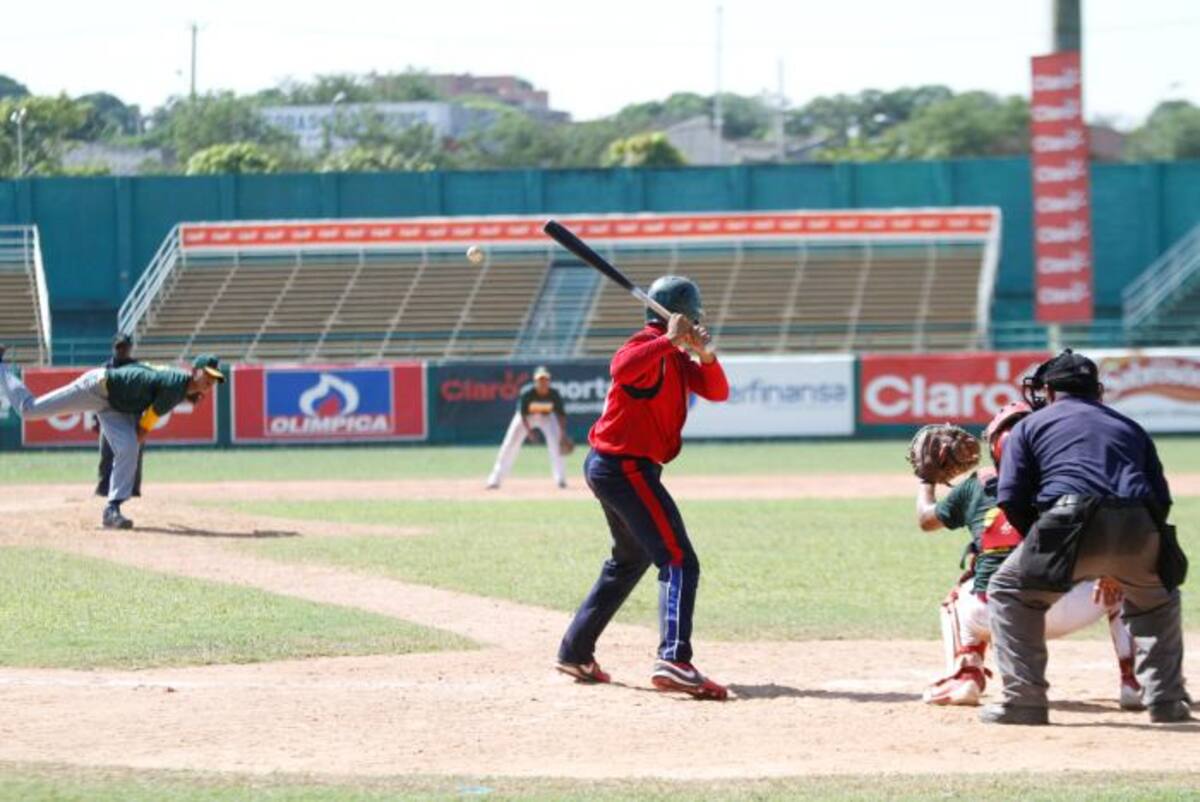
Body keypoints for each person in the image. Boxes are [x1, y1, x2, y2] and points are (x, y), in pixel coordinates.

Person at [984, 349, 1189, 725]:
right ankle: (1166, 701)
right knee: (1157, 600)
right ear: (1098, 390)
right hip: (1139, 520)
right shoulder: (1130, 426)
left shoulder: (1030, 425)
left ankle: (1024, 702)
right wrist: (1141, 548)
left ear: (1047, 390)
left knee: (1008, 592)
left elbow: (1010, 496)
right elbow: (1161, 497)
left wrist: (1040, 543)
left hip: (1067, 520)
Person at [556, 275, 731, 700]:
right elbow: (621, 366)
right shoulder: (646, 345)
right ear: (679, 317)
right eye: (694, 320)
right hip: (623, 466)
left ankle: (575, 652)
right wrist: (669, 341)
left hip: (619, 466)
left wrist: (704, 355)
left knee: (630, 559)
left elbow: (718, 391)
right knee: (678, 559)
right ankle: (674, 658)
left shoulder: (674, 357)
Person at [915, 401, 1141, 709]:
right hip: (1073, 605)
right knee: (1124, 583)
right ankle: (1134, 682)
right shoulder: (1071, 476)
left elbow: (926, 520)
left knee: (957, 598)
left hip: (1001, 613)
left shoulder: (976, 485)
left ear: (994, 446)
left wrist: (926, 481)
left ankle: (965, 676)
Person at [0, 346, 225, 530]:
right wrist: (133, 440)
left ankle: (112, 509)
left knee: (128, 448)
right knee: (30, 410)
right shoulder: (176, 386)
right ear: (195, 370)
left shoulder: (180, 384)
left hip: (115, 404)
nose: (210, 382)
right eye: (208, 374)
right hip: (97, 388)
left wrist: (129, 446)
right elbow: (145, 425)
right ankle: (2, 367)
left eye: (215, 379)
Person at [486, 366, 571, 490]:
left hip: (547, 418)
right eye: (540, 379)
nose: (542, 382)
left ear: (549, 380)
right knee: (509, 444)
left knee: (556, 444)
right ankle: (495, 479)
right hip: (526, 418)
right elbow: (523, 415)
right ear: (535, 381)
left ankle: (561, 479)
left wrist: (562, 434)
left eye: (545, 379)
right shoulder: (527, 392)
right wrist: (529, 432)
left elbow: (561, 415)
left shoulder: (554, 394)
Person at [94, 333, 144, 498]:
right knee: (106, 454)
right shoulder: (105, 368)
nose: (122, 350)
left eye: (125, 347)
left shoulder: (138, 368)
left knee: (134, 453)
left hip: (132, 416)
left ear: (130, 348)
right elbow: (96, 395)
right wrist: (96, 420)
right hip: (109, 415)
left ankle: (133, 489)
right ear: (114, 348)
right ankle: (103, 488)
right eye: (119, 347)